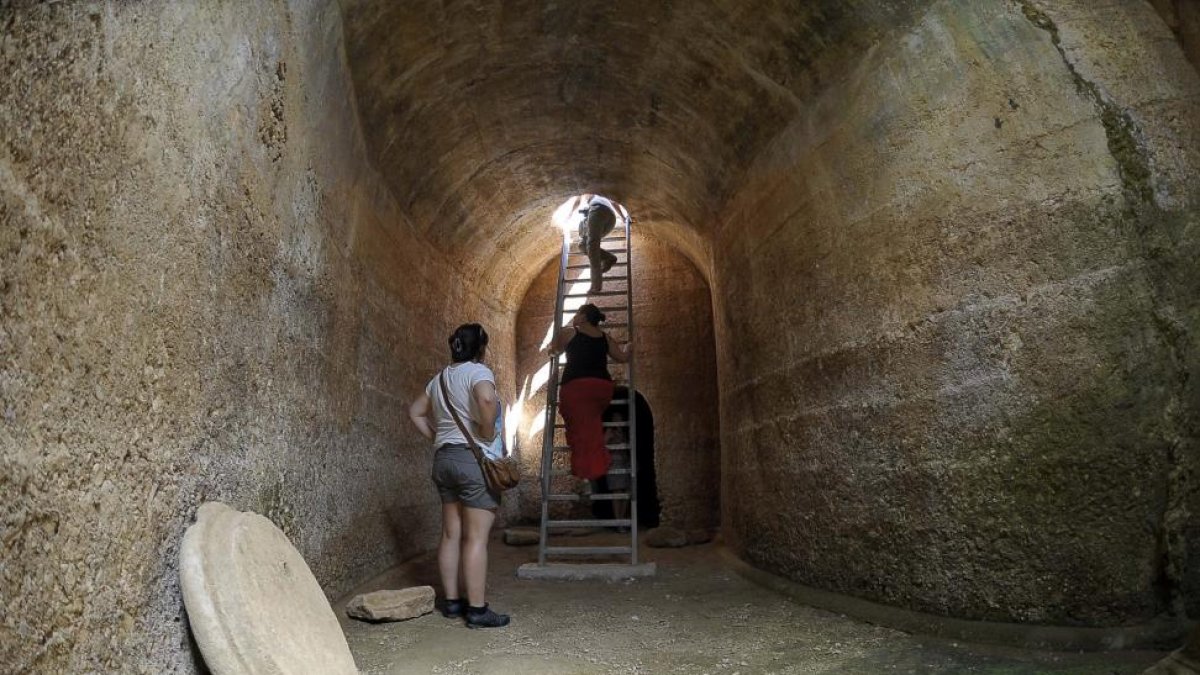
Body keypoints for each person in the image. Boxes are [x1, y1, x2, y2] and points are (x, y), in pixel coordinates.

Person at [408, 323, 510, 628]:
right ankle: (477, 611)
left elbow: (415, 411)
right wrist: (486, 430)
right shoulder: (479, 372)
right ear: (480, 348)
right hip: (472, 461)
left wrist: (438, 438)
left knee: (451, 533)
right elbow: (487, 401)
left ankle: (452, 603)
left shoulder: (438, 380)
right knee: (476, 538)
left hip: (444, 460)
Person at [549, 304, 632, 481]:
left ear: (584, 317)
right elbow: (623, 357)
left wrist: (553, 347)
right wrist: (630, 346)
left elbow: (553, 349)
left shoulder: (571, 332)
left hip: (576, 388)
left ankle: (587, 468)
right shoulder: (605, 338)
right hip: (601, 389)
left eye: (577, 313)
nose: (575, 316)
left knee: (578, 429)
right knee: (591, 425)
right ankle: (594, 466)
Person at [576, 193, 629, 293]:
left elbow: (613, 201)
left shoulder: (596, 196)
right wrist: (622, 217)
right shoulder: (595, 202)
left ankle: (596, 284)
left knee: (592, 246)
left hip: (599, 211)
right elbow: (613, 201)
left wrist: (623, 217)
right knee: (583, 245)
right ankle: (609, 258)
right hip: (609, 221)